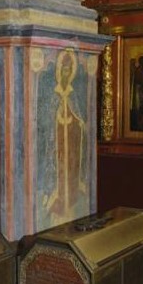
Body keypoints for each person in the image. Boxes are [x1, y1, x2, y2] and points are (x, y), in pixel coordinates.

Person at [44, 50, 86, 224]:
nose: (66, 74)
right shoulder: (54, 94)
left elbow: (79, 117)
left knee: (70, 170)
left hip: (70, 142)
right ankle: (57, 209)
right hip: (57, 141)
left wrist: (76, 122)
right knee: (58, 172)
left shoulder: (72, 94)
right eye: (64, 70)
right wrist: (57, 117)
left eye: (69, 71)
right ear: (59, 71)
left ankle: (70, 208)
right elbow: (47, 119)